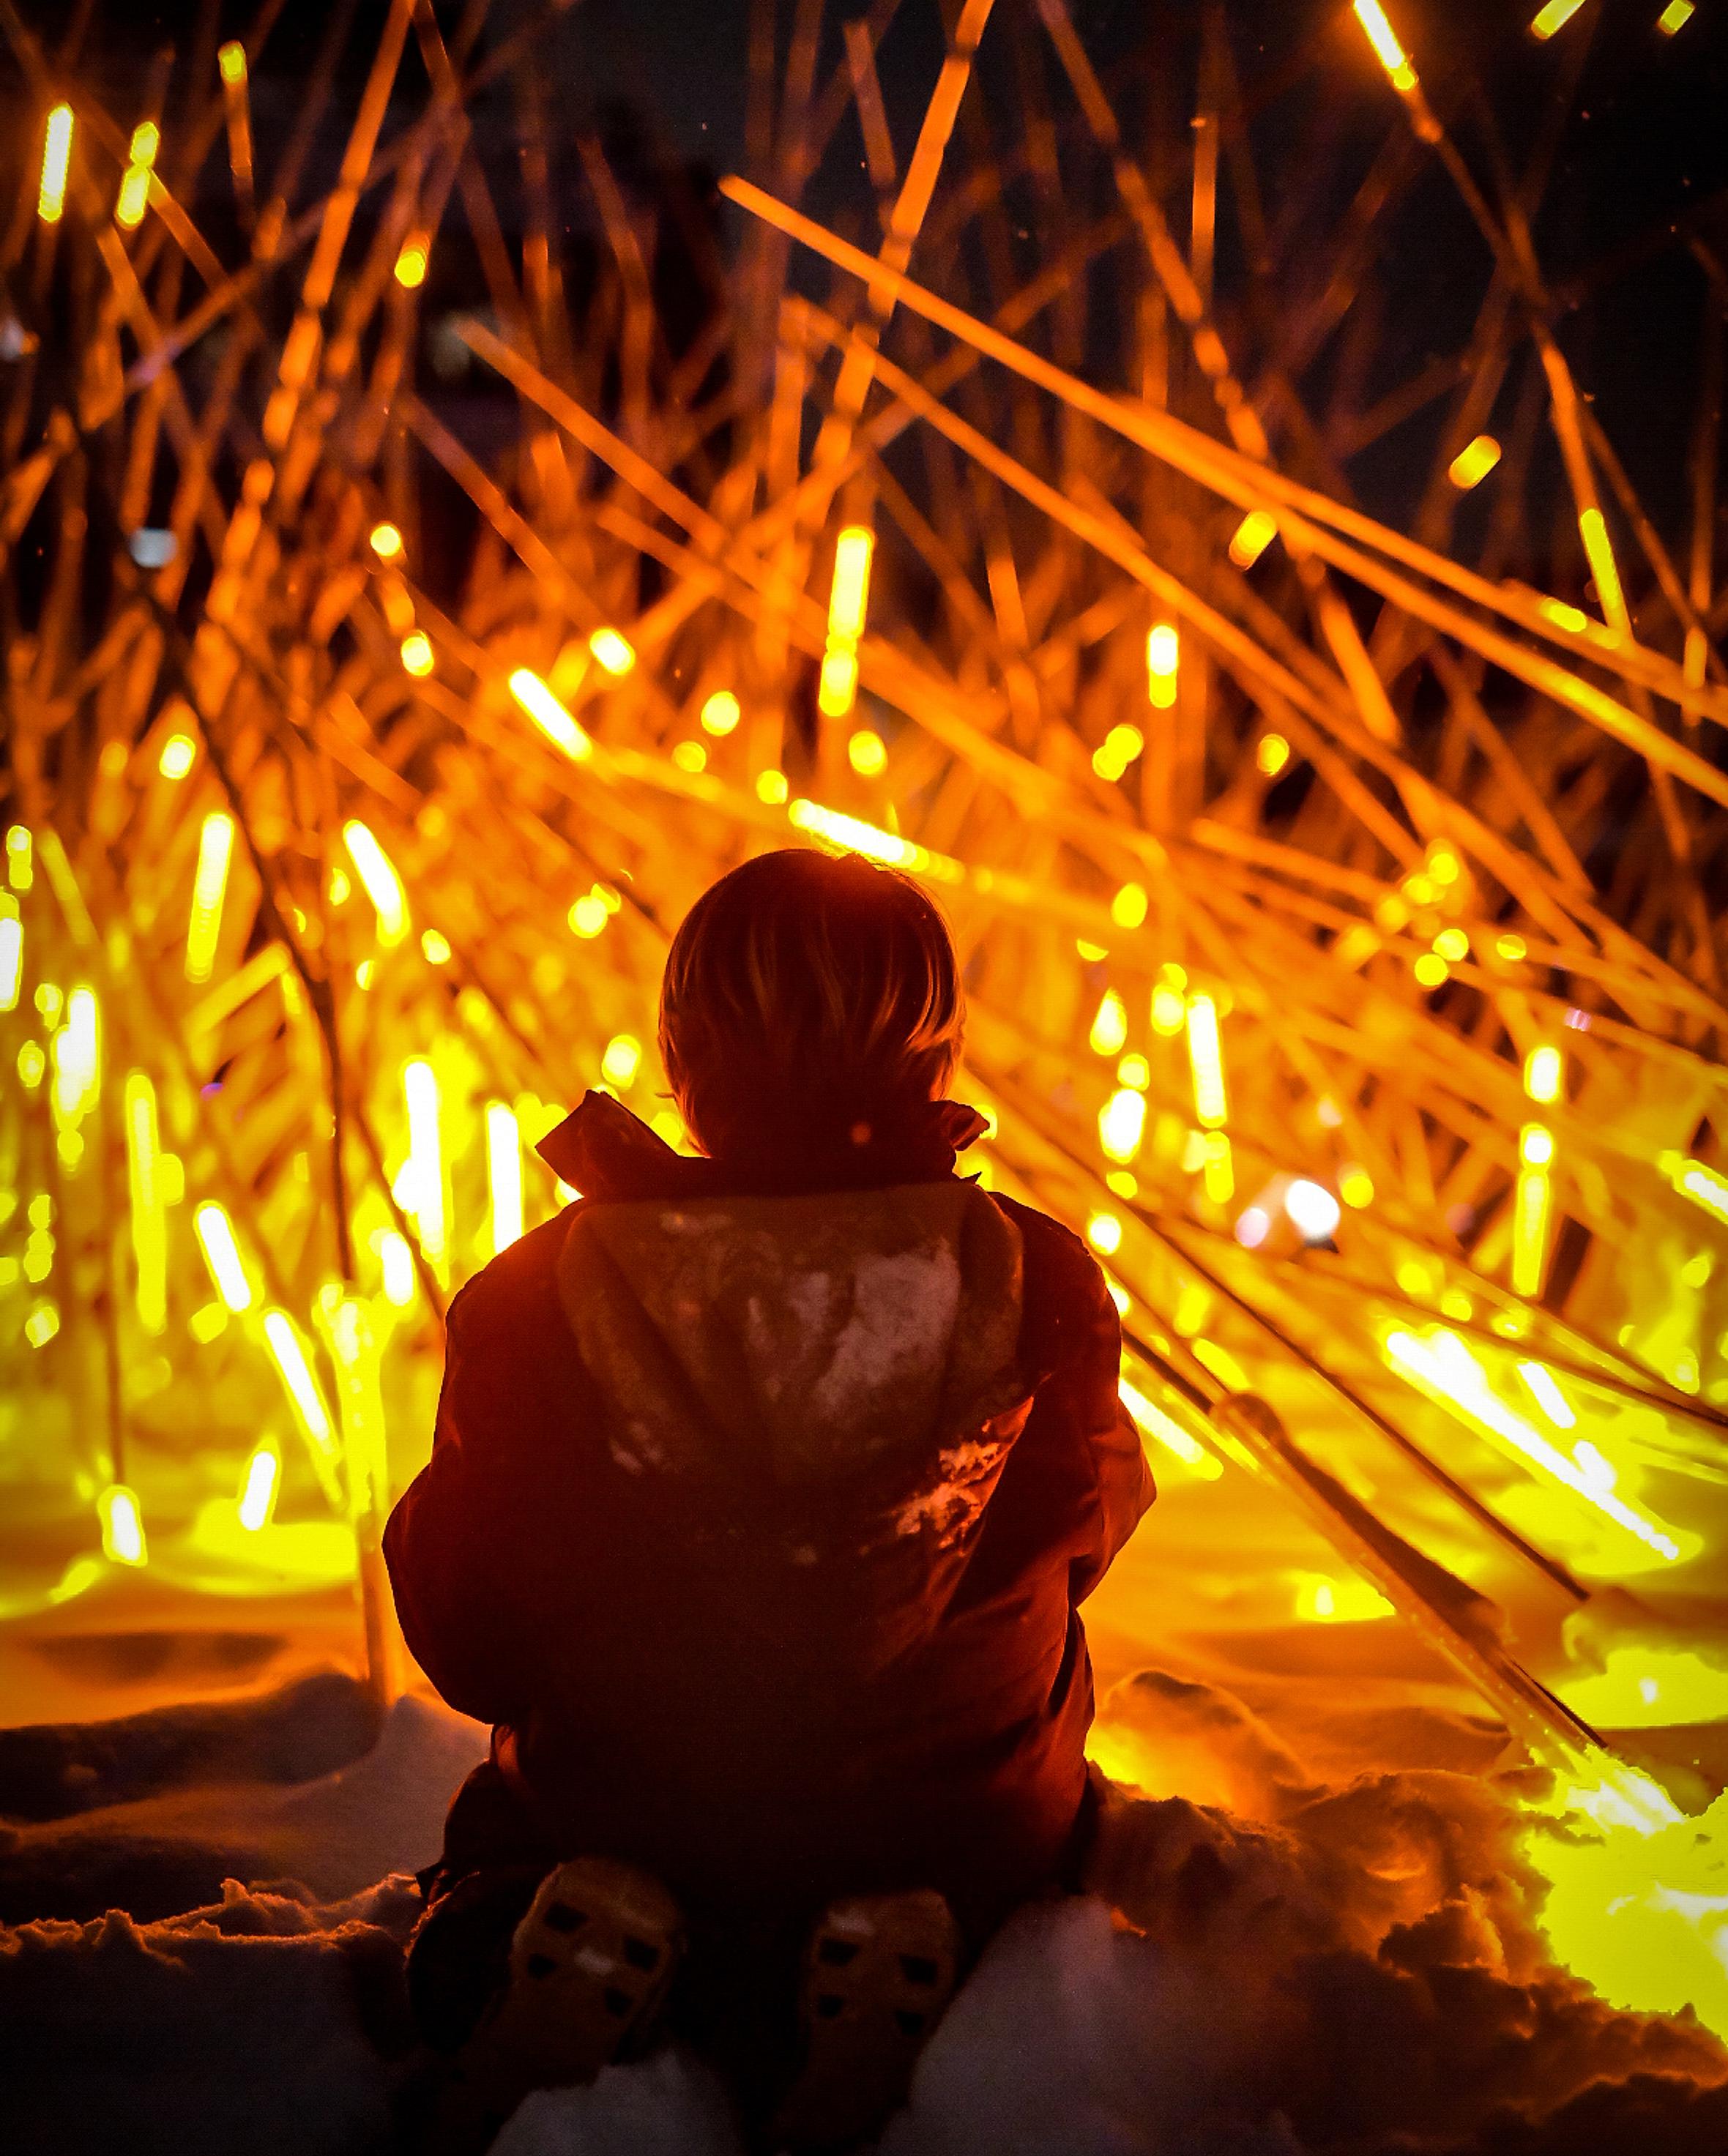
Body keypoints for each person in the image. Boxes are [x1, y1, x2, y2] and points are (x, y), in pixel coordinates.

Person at [384, 846, 1154, 2152]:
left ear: (682, 1052)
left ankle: (550, 1936)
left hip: (632, 1806)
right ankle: (919, 1946)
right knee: (1026, 1769)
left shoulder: (531, 1298)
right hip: (949, 1816)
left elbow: (467, 1631)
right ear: (939, 1054)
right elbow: (1087, 1532)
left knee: (483, 1885)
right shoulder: (1039, 1277)